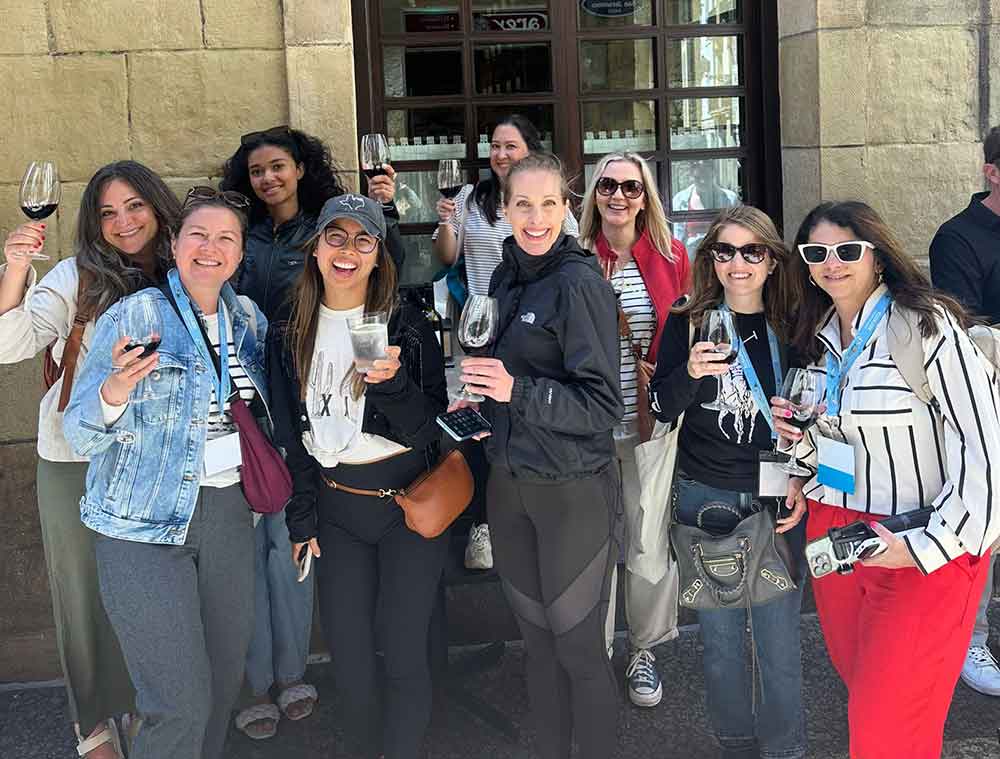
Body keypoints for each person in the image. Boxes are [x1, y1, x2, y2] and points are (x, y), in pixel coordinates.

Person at [776, 201, 999, 758]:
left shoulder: (926, 326)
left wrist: (931, 545)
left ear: (877, 256)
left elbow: (987, 449)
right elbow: (838, 453)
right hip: (839, 539)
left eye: (847, 250)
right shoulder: (816, 339)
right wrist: (797, 454)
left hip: (922, 543)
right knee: (873, 704)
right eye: (816, 253)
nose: (832, 263)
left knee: (884, 728)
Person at [64, 188, 269, 759]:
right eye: (198, 235)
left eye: (226, 237)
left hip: (229, 514)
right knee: (178, 702)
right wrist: (114, 389)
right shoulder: (136, 314)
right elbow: (79, 430)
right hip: (141, 524)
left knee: (223, 684)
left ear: (240, 252)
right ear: (174, 244)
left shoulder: (249, 319)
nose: (211, 248)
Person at [0, 160, 181, 758]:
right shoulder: (77, 276)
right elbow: (11, 345)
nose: (123, 222)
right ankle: (93, 718)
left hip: (157, 463)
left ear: (157, 206)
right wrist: (18, 268)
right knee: (80, 591)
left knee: (152, 591)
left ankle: (147, 700)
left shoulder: (189, 268)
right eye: (107, 212)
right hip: (76, 457)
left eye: (134, 205)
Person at [457, 152, 624, 759]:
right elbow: (502, 376)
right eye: (522, 204)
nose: (535, 217)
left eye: (549, 203)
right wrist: (480, 410)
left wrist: (516, 391)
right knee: (538, 645)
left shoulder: (580, 285)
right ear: (504, 209)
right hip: (509, 487)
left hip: (572, 492)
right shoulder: (504, 277)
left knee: (579, 650)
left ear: (567, 207)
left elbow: (603, 407)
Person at [270, 194, 448, 759]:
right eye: (336, 238)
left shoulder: (405, 323)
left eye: (362, 240)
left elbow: (433, 431)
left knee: (400, 648)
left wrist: (392, 386)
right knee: (348, 652)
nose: (348, 251)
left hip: (405, 505)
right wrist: (302, 518)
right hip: (336, 507)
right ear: (316, 249)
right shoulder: (287, 328)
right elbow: (287, 437)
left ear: (378, 256)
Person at [648, 205, 807, 759]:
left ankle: (785, 749)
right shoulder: (688, 318)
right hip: (704, 496)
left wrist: (801, 479)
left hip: (774, 497)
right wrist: (690, 373)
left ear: (771, 261)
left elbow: (819, 412)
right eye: (725, 251)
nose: (738, 264)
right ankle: (736, 746)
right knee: (718, 645)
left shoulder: (794, 324)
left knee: (780, 644)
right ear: (711, 259)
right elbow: (660, 405)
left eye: (752, 252)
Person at [433, 114, 579, 570]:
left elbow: (568, 248)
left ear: (530, 152)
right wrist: (446, 224)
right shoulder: (467, 199)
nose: (500, 154)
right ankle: (483, 524)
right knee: (478, 424)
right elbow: (446, 258)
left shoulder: (548, 204)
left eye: (510, 146)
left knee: (523, 411)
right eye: (495, 145)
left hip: (532, 328)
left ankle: (527, 517)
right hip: (481, 329)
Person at [578, 151, 690, 708]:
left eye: (630, 186)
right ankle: (594, 653)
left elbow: (688, 339)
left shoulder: (671, 258)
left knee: (647, 543)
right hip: (589, 428)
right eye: (607, 186)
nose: (618, 196)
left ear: (645, 196)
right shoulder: (574, 258)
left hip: (651, 424)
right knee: (596, 544)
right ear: (594, 196)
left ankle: (643, 650)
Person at [929, 125, 1000, 696]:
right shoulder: (957, 238)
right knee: (986, 525)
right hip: (988, 403)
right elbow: (965, 332)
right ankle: (970, 639)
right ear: (992, 172)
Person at [221, 124, 405, 319]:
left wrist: (383, 209)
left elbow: (387, 270)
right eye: (256, 171)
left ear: (299, 170)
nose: (267, 178)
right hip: (247, 346)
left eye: (277, 166)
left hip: (305, 344)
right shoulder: (241, 232)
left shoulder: (325, 232)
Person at [672, 158, 740, 257]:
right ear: (691, 175)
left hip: (721, 255)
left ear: (713, 173)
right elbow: (677, 236)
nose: (702, 181)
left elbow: (736, 230)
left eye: (706, 176)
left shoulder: (730, 198)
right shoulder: (680, 199)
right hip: (692, 259)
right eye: (698, 177)